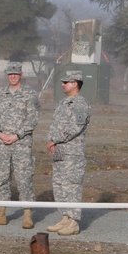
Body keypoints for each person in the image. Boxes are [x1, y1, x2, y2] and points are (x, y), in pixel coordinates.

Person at [0, 62, 40, 228]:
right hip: (2, 144)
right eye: (10, 74)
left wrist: (17, 136)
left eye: (16, 74)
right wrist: (0, 133)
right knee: (2, 178)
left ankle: (27, 214)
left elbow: (33, 119)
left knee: (24, 179)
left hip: (21, 143)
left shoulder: (30, 94)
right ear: (7, 75)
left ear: (21, 75)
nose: (13, 76)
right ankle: (0, 213)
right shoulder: (0, 93)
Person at [44, 70, 91, 236]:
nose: (63, 84)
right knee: (59, 185)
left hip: (72, 153)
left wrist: (55, 139)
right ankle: (65, 216)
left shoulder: (80, 103)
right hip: (60, 152)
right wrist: (51, 140)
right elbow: (56, 124)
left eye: (66, 82)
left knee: (72, 186)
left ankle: (74, 221)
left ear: (75, 83)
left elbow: (76, 127)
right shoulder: (65, 102)